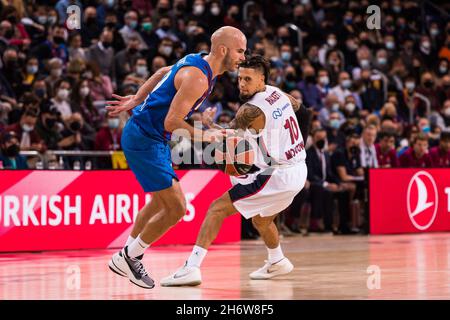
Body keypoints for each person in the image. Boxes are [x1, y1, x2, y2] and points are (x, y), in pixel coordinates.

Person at [105, 26, 247, 289]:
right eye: (240, 51)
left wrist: (138, 98)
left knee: (160, 203)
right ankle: (129, 256)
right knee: (176, 208)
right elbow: (172, 122)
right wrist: (205, 135)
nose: (243, 57)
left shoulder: (199, 61)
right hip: (145, 139)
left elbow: (162, 74)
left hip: (150, 137)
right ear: (223, 50)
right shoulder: (199, 78)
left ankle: (126, 256)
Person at [160, 55, 307, 286]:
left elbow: (227, 139)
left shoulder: (249, 110)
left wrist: (207, 127)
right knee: (261, 220)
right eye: (240, 78)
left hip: (278, 175)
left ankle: (192, 268)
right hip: (298, 169)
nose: (242, 84)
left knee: (216, 209)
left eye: (248, 79)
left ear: (262, 80)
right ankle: (277, 260)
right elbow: (302, 110)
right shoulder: (279, 93)